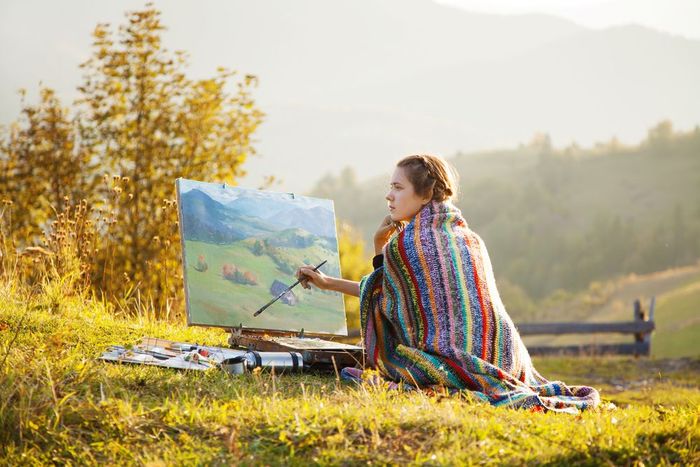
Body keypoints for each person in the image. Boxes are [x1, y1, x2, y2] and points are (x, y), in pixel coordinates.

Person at [296, 154, 600, 412]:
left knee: (362, 373)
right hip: (509, 360)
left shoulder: (407, 245)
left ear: (426, 195)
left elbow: (384, 299)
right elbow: (392, 290)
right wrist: (328, 282)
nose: (389, 196)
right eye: (390, 188)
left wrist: (380, 246)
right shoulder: (469, 238)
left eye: (398, 188)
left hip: (457, 360)